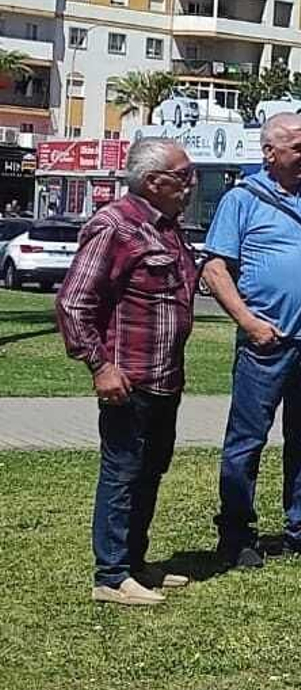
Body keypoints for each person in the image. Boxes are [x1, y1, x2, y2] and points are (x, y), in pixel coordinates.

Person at [58, 139, 199, 605]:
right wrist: (100, 365)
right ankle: (111, 576)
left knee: (150, 471)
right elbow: (74, 303)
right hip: (127, 379)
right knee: (122, 473)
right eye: (183, 175)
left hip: (165, 379)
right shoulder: (114, 225)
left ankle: (135, 563)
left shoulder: (170, 229)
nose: (191, 183)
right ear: (153, 181)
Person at [205, 113, 301, 570]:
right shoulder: (241, 199)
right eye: (298, 147)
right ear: (269, 152)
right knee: (247, 440)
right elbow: (215, 270)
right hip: (266, 343)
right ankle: (236, 533)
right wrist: (249, 323)